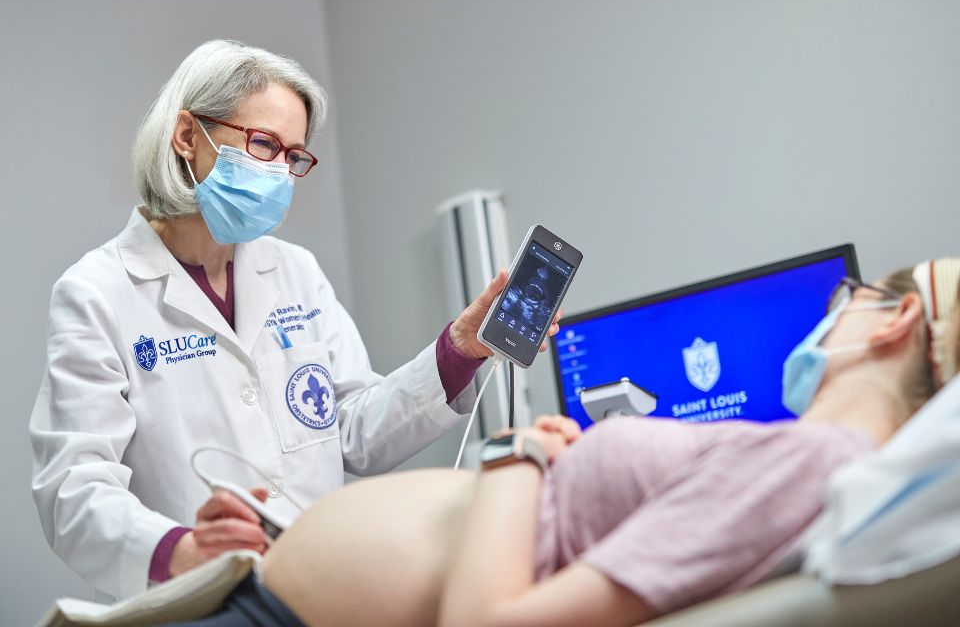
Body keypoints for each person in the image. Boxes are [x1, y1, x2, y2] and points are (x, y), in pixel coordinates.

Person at [29, 39, 561, 600]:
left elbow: (353, 431)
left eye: (293, 156)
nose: (280, 172)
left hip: (319, 590)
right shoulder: (98, 292)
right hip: (202, 601)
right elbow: (73, 488)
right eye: (263, 144)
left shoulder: (295, 271)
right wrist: (181, 551)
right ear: (187, 136)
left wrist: (461, 348)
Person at [161, 260, 959, 627]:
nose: (831, 311)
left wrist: (517, 455)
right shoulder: (805, 460)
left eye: (847, 296)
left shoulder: (815, 461)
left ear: (894, 320)